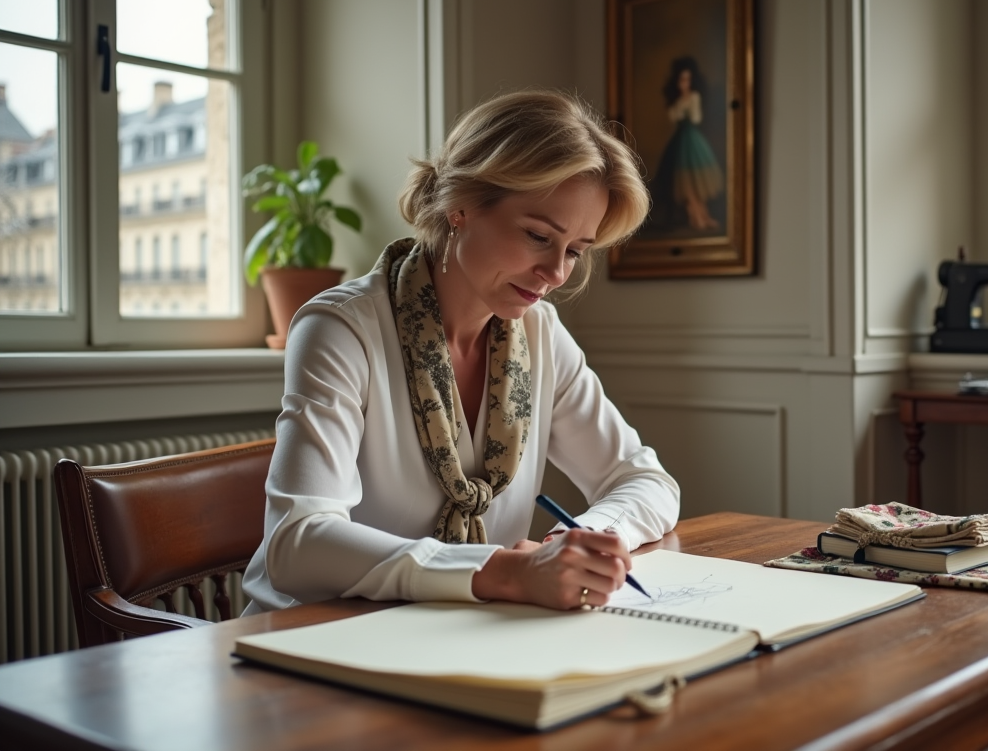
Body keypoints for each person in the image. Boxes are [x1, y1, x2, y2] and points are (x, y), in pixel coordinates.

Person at [241, 90, 680, 615]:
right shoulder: (340, 330)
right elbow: (298, 544)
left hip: (461, 637)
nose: (557, 273)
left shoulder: (540, 334)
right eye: (539, 236)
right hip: (312, 645)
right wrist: (502, 573)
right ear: (460, 206)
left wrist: (584, 539)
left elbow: (645, 481)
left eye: (575, 251)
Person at [651, 56, 724, 233]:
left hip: (693, 139)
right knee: (686, 184)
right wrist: (681, 104)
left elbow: (696, 118)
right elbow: (673, 118)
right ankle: (696, 217)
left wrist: (686, 104)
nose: (685, 83)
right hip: (680, 140)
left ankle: (704, 216)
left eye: (688, 79)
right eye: (682, 79)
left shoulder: (694, 97)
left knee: (698, 182)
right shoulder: (678, 101)